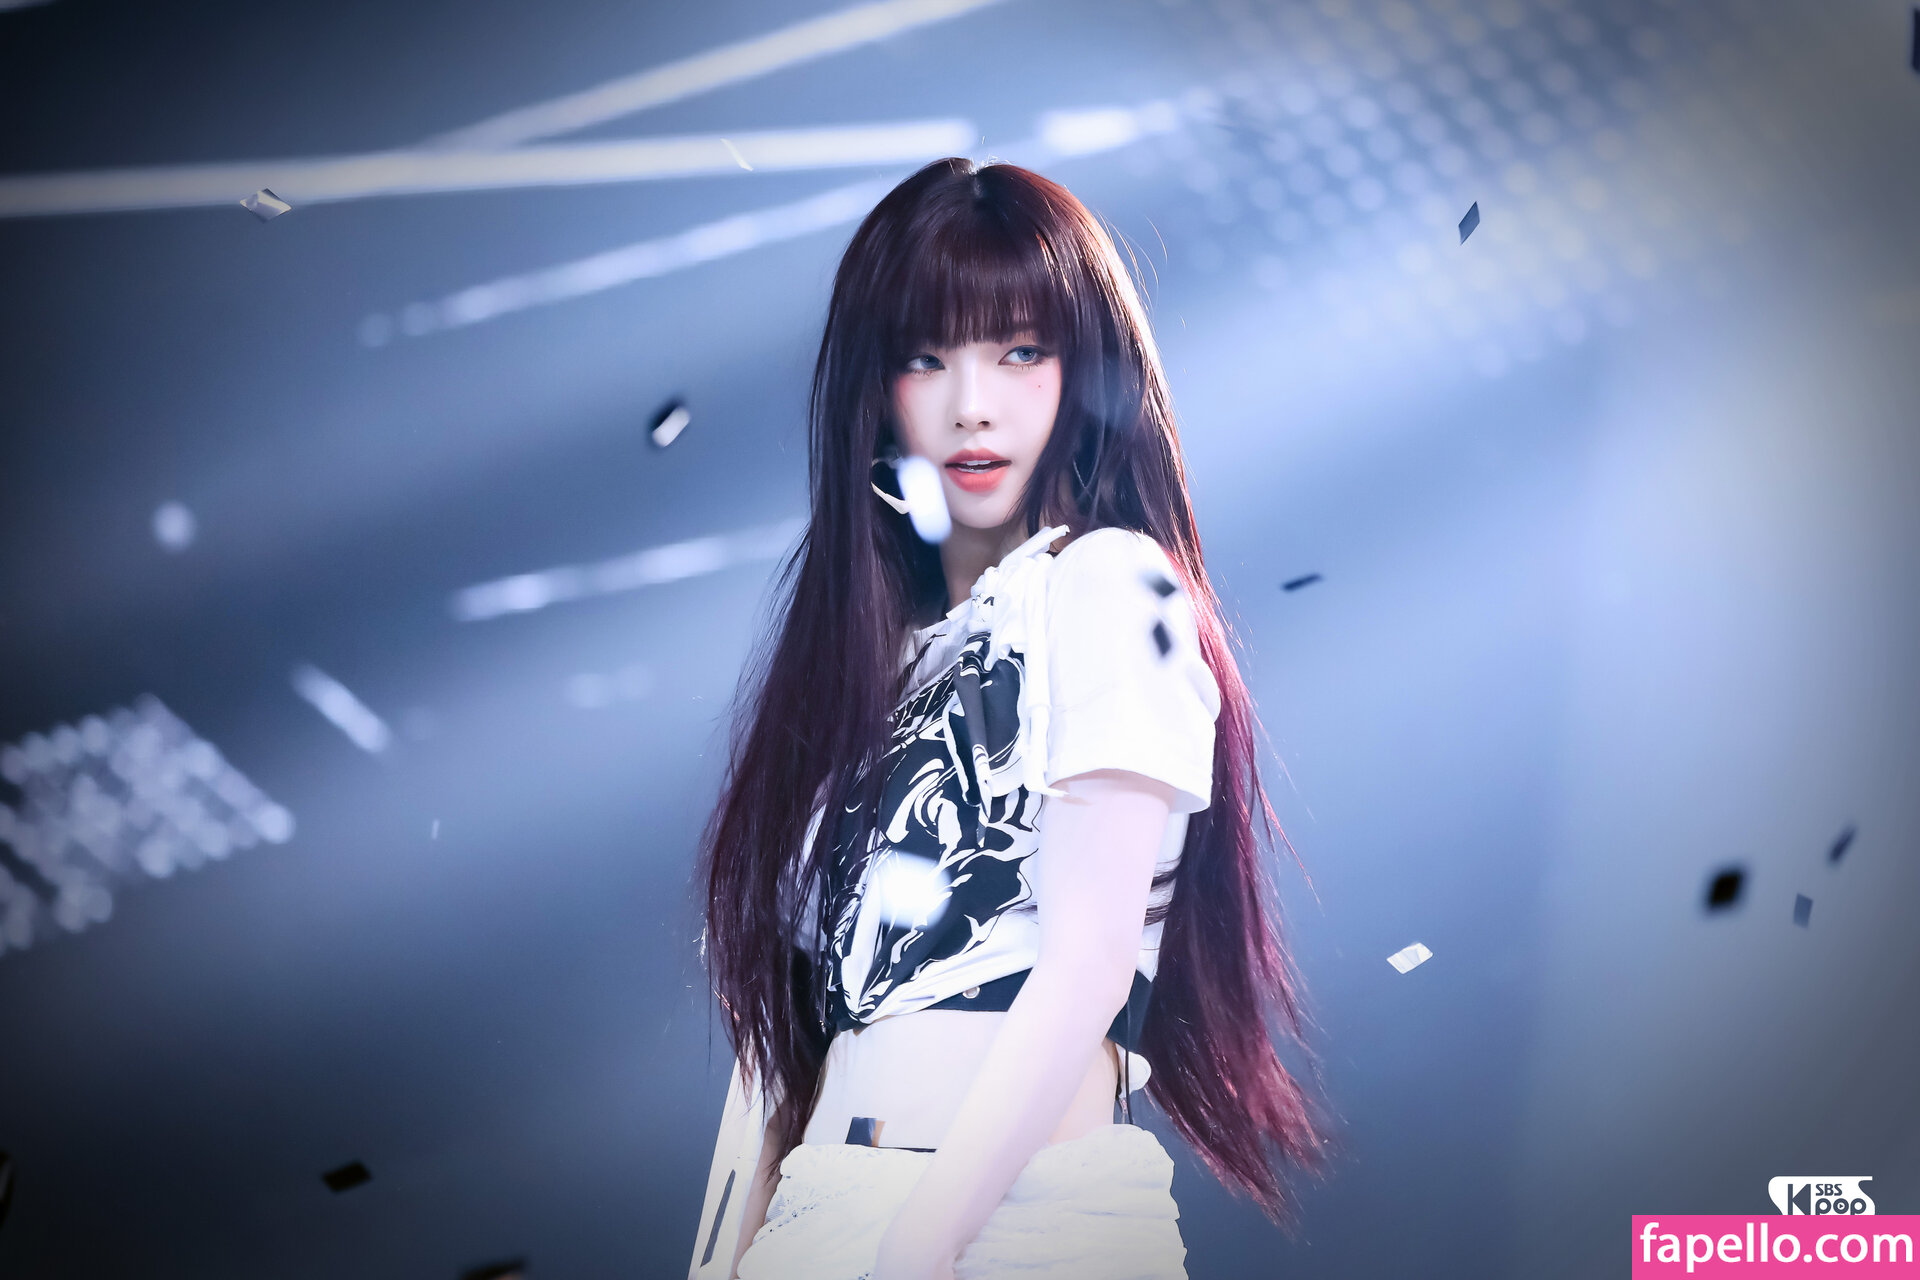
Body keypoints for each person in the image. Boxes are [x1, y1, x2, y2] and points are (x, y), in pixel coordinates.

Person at [688, 157, 1322, 1280]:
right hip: (821, 1215)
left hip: (1016, 1226)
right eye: (924, 356)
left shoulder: (1109, 583)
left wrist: (918, 1246)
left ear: (1085, 369)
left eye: (1020, 350)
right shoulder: (860, 670)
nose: (971, 402)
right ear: (873, 390)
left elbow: (1086, 966)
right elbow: (781, 1063)